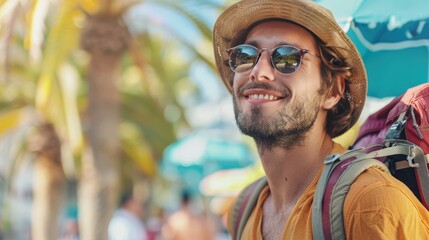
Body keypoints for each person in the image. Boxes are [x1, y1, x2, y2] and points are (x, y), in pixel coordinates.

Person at [212, 0, 429, 239]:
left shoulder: (370, 203)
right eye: (246, 56)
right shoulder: (244, 209)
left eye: (287, 57)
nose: (258, 71)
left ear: (332, 91)